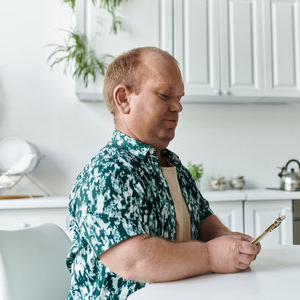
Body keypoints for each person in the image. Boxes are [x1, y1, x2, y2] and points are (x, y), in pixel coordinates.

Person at [66, 46, 261, 299]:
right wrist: (212, 255)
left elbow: (203, 222)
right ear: (124, 99)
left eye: (179, 98)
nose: (178, 107)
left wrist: (231, 241)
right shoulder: (105, 174)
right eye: (165, 95)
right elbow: (134, 261)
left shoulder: (173, 165)